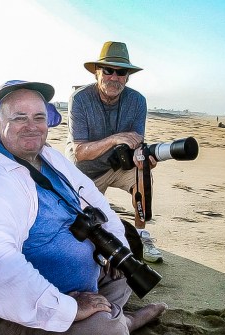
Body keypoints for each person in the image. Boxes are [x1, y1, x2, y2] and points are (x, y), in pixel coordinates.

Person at [0, 80, 167, 335]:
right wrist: (70, 308)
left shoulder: (48, 156)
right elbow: (0, 266)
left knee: (126, 267)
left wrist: (113, 249)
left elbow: (94, 200)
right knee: (104, 334)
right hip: (13, 308)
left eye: (39, 117)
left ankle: (107, 312)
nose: (31, 126)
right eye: (19, 117)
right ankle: (123, 323)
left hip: (74, 287)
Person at [66, 41, 163, 263]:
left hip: (118, 167)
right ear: (97, 73)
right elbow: (80, 152)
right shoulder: (80, 99)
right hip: (85, 172)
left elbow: (137, 144)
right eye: (108, 70)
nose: (114, 77)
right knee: (79, 233)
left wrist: (143, 157)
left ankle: (140, 235)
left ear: (127, 77)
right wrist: (114, 139)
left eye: (121, 72)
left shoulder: (137, 101)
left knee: (143, 173)